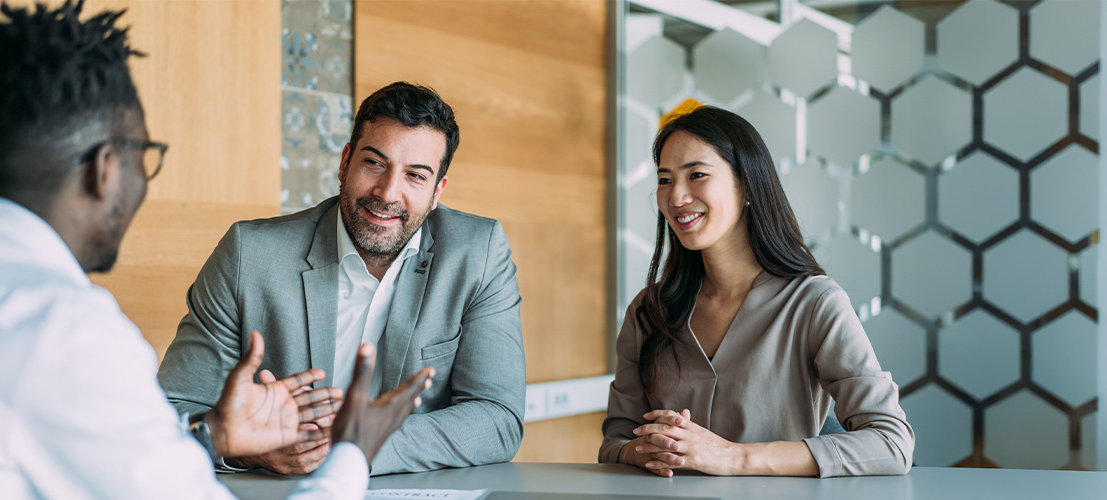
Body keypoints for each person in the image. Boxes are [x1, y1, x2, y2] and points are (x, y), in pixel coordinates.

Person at [0, 2, 432, 497]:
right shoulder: (65, 333)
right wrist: (353, 451)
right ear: (105, 168)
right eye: (146, 156)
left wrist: (214, 435)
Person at [157, 81, 526, 475]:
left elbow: (497, 418)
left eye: (415, 176)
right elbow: (172, 409)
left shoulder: (478, 253)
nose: (387, 193)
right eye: (374, 163)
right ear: (345, 161)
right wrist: (247, 448)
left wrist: (350, 448)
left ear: (438, 191)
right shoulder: (249, 254)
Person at [600, 106, 914, 478]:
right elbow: (615, 443)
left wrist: (733, 457)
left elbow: (891, 443)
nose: (676, 197)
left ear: (746, 184)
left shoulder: (814, 303)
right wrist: (647, 447)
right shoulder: (647, 311)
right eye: (665, 180)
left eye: (696, 175)